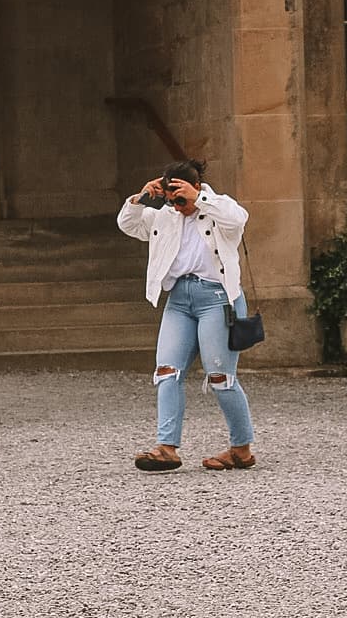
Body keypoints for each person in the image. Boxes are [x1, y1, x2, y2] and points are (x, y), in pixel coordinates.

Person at [117, 158, 256, 472]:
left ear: (196, 187)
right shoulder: (165, 217)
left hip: (217, 299)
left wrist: (199, 198)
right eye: (171, 199)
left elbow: (239, 218)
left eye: (181, 198)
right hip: (179, 300)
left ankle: (241, 448)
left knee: (221, 377)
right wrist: (140, 199)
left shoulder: (218, 209)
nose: (177, 206)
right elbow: (129, 224)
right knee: (166, 371)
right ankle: (167, 448)